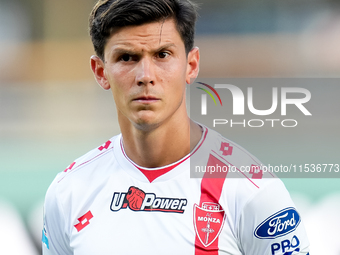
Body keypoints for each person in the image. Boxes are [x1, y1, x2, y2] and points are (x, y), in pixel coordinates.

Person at [42, 0, 310, 254]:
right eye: (126, 57)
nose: (145, 76)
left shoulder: (253, 191)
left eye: (162, 54)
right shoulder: (69, 191)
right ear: (101, 72)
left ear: (191, 66)